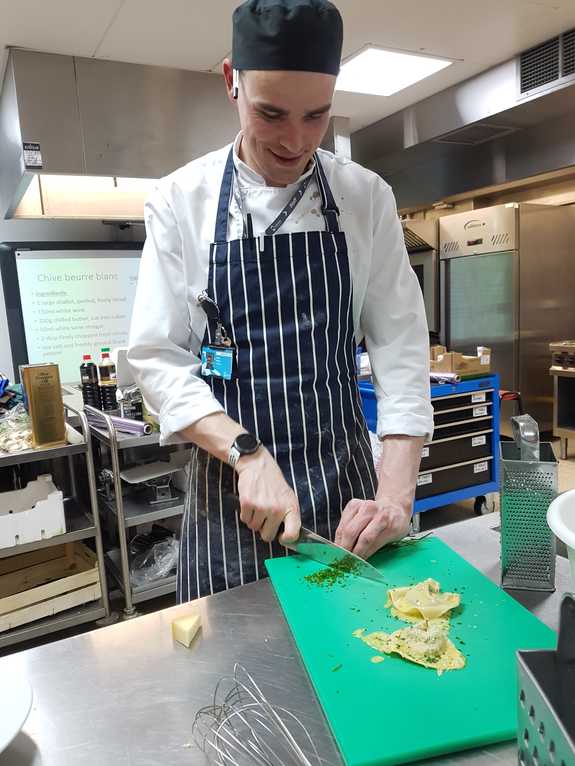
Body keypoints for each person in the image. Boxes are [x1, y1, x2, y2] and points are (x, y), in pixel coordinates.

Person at [128, 0, 434, 603]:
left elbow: (400, 345)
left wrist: (396, 493)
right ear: (231, 83)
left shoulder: (364, 197)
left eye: (317, 116)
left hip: (348, 500)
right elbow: (157, 359)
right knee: (232, 687)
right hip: (230, 503)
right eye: (271, 113)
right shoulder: (178, 201)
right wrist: (246, 453)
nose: (295, 142)